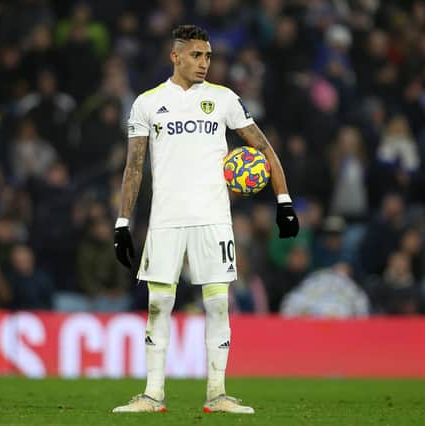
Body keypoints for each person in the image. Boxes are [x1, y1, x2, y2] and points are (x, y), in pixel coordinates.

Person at [112, 25, 299, 414]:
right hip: (166, 219)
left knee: (217, 306)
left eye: (208, 56)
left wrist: (284, 201)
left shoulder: (224, 99)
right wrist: (122, 223)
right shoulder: (148, 103)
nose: (204, 63)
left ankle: (217, 393)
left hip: (214, 219)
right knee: (159, 304)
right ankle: (152, 395)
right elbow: (134, 167)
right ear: (175, 56)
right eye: (196, 55)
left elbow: (263, 149)